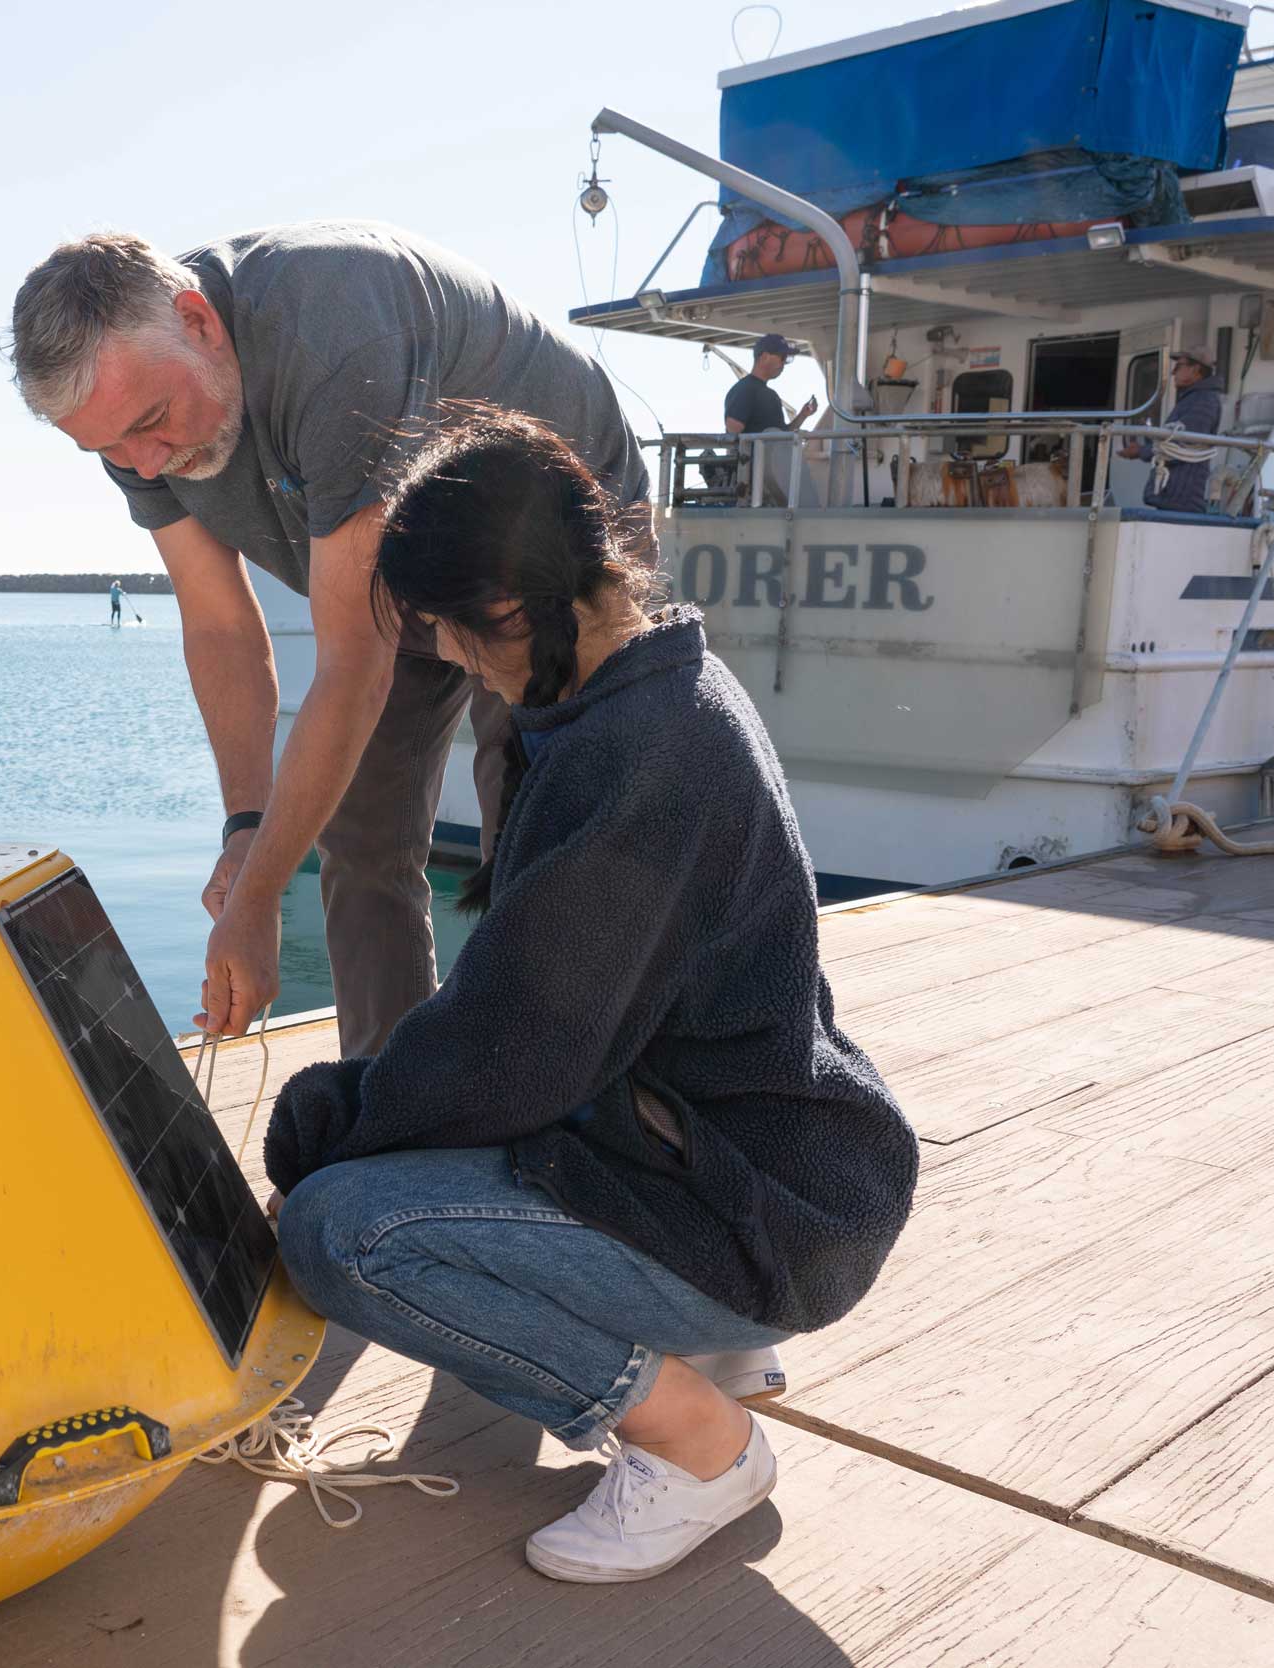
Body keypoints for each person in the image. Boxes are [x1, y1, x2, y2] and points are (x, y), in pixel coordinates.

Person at [263, 407, 917, 1585]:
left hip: (761, 1209)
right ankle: (712, 1351)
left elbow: (513, 1056)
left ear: (508, 613)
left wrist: (328, 1122)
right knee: (372, 1171)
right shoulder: (650, 692)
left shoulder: (640, 751)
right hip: (759, 1159)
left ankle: (701, 1448)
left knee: (339, 1231)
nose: (454, 663)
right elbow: (533, 1019)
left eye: (452, 638)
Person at [8, 224, 650, 1055]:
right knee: (360, 839)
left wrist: (256, 904)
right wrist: (247, 828)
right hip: (400, 569)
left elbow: (353, 664)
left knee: (531, 824)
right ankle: (388, 1123)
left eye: (154, 422)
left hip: (553, 543)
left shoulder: (334, 331)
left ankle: (553, 1109)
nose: (146, 460)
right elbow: (219, 624)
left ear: (199, 322)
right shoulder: (131, 422)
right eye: (112, 449)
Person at [1120, 346, 1223, 513]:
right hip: (1177, 496)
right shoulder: (1195, 398)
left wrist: (1141, 451)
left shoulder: (1204, 401)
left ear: (1196, 370)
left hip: (1182, 499)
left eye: (1179, 366)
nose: (1173, 372)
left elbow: (1183, 445)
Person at [724, 332, 817, 437]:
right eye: (782, 358)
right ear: (764, 357)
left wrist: (803, 415)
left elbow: (782, 435)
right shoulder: (745, 389)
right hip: (754, 454)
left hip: (773, 452)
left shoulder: (770, 394)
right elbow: (733, 433)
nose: (783, 364)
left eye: (787, 359)